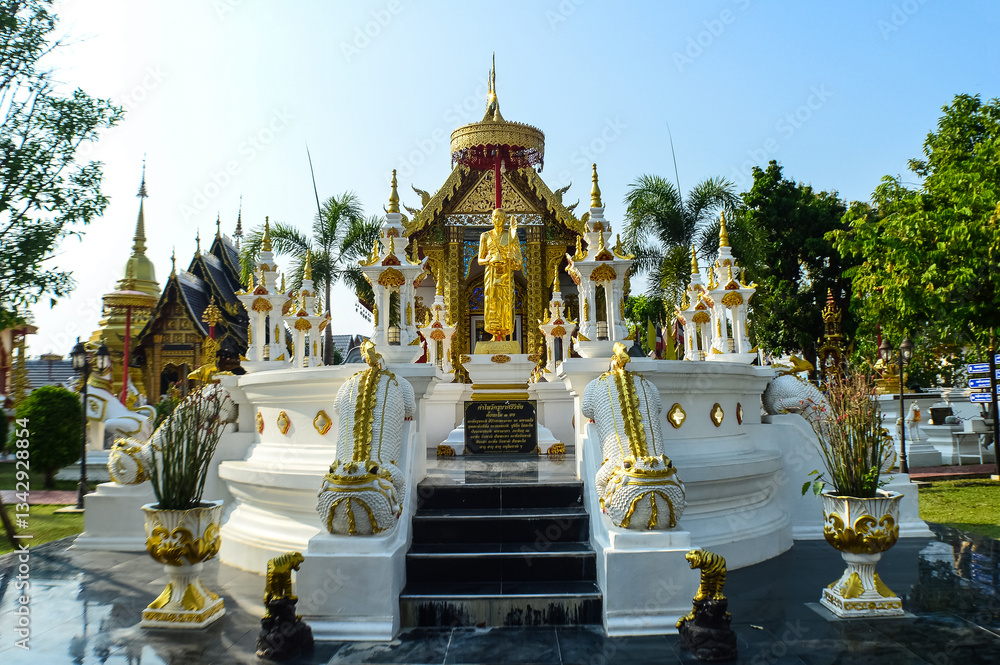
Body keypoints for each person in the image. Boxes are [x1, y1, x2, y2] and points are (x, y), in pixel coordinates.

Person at [477, 208, 522, 341]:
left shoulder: (511, 236)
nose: (498, 220)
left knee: (506, 303)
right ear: (491, 219)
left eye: (501, 218)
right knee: (492, 302)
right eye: (495, 217)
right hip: (491, 274)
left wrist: (511, 258)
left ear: (505, 219)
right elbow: (480, 259)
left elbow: (519, 262)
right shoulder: (485, 236)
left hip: (506, 275)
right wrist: (488, 259)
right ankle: (493, 332)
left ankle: (504, 332)